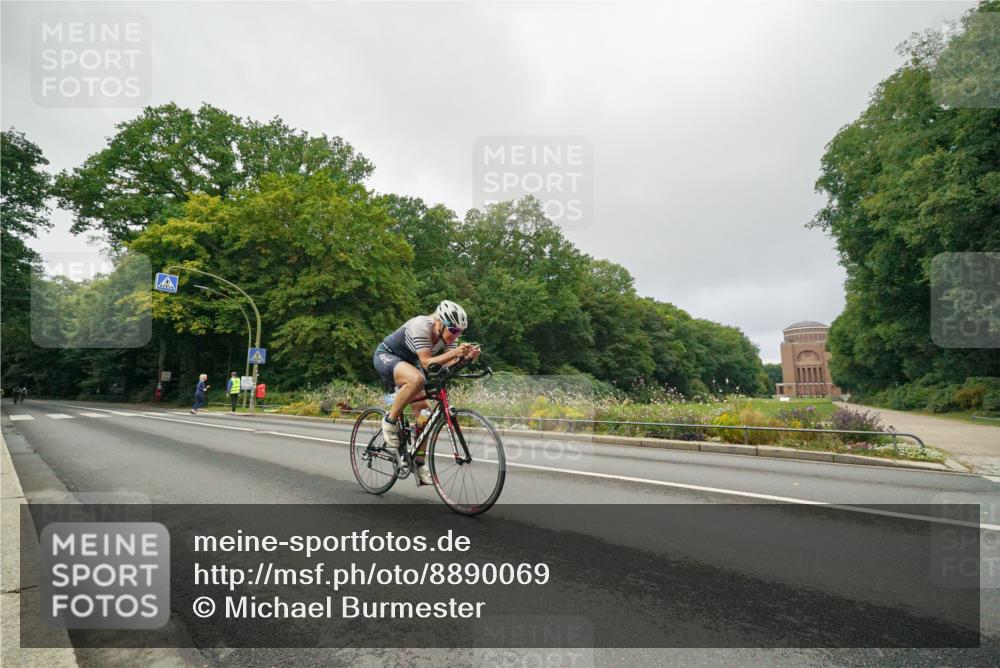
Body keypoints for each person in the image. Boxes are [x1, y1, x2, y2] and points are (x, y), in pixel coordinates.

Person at [373, 300, 480, 485]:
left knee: (426, 414)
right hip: (388, 356)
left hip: (411, 363)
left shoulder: (447, 338)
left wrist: (465, 359)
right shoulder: (421, 325)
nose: (456, 336)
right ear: (439, 323)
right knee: (417, 379)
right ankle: (390, 420)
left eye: (460, 332)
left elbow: (445, 364)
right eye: (453, 331)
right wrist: (455, 353)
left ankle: (418, 461)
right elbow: (426, 363)